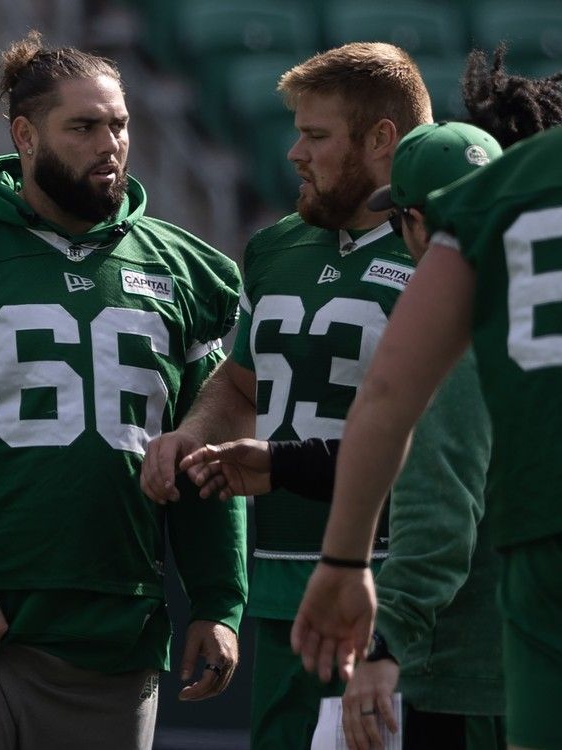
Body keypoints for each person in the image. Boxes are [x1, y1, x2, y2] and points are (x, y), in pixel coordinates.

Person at [0, 30, 247, 750]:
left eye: (120, 124)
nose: (111, 144)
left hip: (117, 636)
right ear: (25, 135)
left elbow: (207, 450)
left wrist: (220, 601)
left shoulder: (186, 270)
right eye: (85, 126)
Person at [140, 42, 432, 748]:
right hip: (280, 592)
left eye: (316, 135)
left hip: (393, 588)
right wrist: (195, 430)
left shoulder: (436, 253)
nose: (295, 153)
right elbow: (240, 383)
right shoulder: (275, 248)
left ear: (381, 139)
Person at [188, 122, 508, 750]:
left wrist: (387, 644)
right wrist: (286, 464)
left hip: (476, 669)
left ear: (416, 222)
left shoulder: (460, 336)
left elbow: (440, 508)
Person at [293, 124, 562, 750]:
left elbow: (434, 496)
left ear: (415, 219)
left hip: (488, 660)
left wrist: (381, 623)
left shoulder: (467, 291)